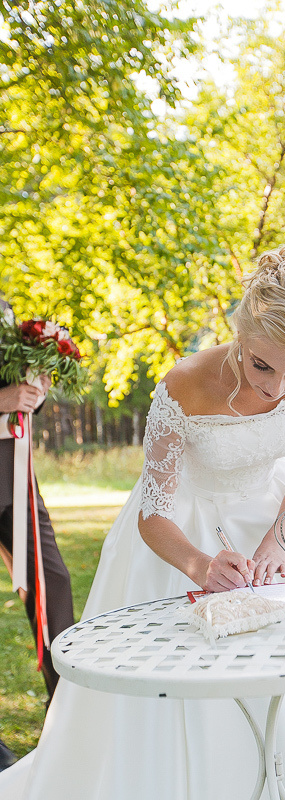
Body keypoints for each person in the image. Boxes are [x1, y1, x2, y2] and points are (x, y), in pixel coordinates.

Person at [4, 246, 285, 800]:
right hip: (185, 530)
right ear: (241, 333)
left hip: (281, 518)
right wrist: (200, 565)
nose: (277, 388)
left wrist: (279, 541)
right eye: (261, 366)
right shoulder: (183, 384)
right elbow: (153, 514)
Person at [0, 299, 74, 771]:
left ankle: (68, 712)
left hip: (13, 472)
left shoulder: (5, 311)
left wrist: (33, 391)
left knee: (54, 581)